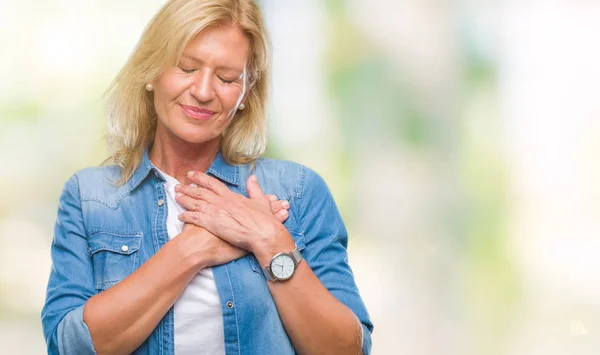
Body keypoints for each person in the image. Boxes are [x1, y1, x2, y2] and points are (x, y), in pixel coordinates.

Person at [41, 0, 373, 354]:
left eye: (227, 78)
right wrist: (194, 247)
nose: (202, 91)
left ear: (245, 92)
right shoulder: (90, 197)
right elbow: (68, 347)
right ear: (152, 71)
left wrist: (269, 240)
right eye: (186, 68)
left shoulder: (298, 192)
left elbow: (349, 350)